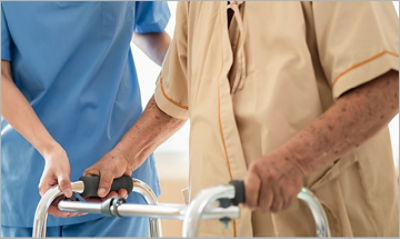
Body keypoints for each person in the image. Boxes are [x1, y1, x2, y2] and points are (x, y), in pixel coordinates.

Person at [83, 1, 399, 237]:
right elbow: (177, 94)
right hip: (219, 224)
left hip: (316, 222)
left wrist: (294, 161)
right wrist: (123, 157)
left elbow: (385, 85)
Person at [1, 1, 170, 237]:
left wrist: (197, 70)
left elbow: (148, 31)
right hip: (30, 176)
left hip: (117, 177)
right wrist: (49, 149)